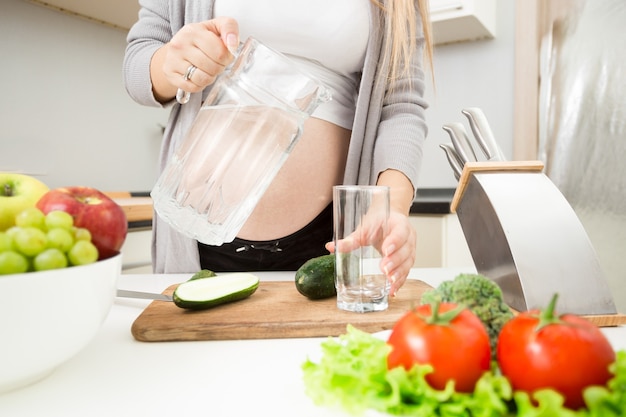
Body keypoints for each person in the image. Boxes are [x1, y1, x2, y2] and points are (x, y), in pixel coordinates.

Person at [123, 0, 433, 296]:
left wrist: (391, 208)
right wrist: (173, 63)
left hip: (325, 242)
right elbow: (138, 66)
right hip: (193, 225)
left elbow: (402, 105)